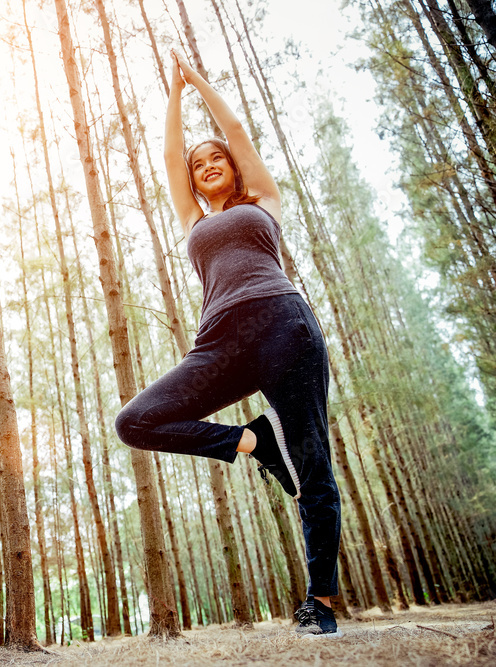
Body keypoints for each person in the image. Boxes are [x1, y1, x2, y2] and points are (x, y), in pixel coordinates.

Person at [114, 50, 342, 638]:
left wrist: (200, 83)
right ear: (191, 181)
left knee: (314, 463)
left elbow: (237, 132)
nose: (209, 163)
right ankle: (253, 440)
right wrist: (171, 95)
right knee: (136, 421)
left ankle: (320, 602)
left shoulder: (263, 200)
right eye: (200, 162)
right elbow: (169, 157)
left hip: (285, 325)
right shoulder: (192, 219)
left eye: (217, 158)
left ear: (234, 167)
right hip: (219, 339)